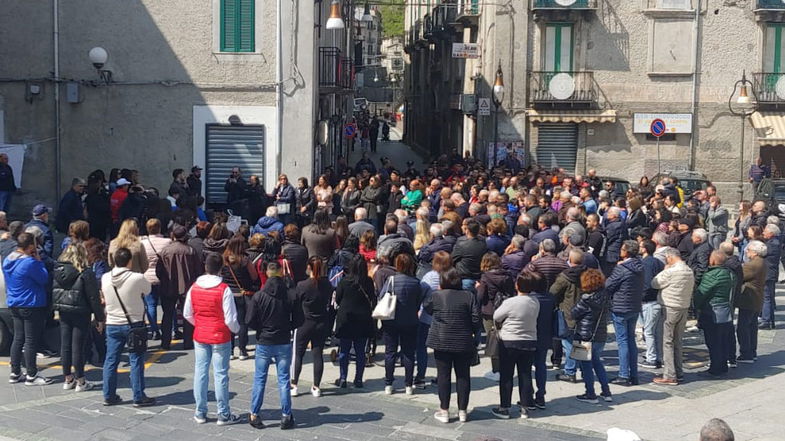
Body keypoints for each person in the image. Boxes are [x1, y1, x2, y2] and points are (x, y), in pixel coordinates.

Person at [182, 252, 242, 425]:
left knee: (200, 372)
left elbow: (187, 313)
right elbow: (230, 319)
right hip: (220, 335)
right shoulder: (224, 289)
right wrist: (236, 330)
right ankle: (223, 414)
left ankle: (200, 412)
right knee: (221, 374)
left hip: (200, 334)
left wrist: (199, 323)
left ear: (205, 267)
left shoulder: (194, 287)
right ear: (221, 268)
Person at [246, 261, 303, 430]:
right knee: (284, 379)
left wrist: (261, 329)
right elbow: (299, 319)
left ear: (267, 274)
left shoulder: (259, 296)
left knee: (260, 378)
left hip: (264, 340)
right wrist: (288, 327)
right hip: (283, 340)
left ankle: (254, 413)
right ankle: (286, 415)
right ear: (280, 273)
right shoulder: (290, 295)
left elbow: (249, 320)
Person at [423, 267, 480, 424]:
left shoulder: (437, 295)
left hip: (441, 340)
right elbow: (476, 319)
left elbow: (427, 309)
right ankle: (463, 411)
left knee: (443, 376)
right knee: (463, 376)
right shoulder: (468, 296)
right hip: (462, 340)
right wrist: (473, 333)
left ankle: (444, 410)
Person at [102, 247, 155, 407]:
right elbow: (148, 290)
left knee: (111, 360)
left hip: (112, 322)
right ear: (129, 261)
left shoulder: (105, 277)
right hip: (134, 323)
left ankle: (108, 395)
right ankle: (138, 396)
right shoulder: (137, 277)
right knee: (136, 360)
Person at [53, 243, 105, 392]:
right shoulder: (85, 272)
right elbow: (93, 297)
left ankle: (68, 379)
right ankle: (81, 380)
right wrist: (100, 318)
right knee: (78, 346)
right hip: (81, 311)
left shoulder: (58, 270)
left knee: (65, 344)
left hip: (63, 310)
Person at [491, 271, 542, 420]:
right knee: (525, 374)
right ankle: (525, 407)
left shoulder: (511, 302)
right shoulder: (535, 302)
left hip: (509, 341)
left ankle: (504, 407)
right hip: (529, 340)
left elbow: (496, 316)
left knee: (506, 375)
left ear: (517, 285)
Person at [4, 232, 52, 385]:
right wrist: (38, 259)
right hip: (31, 303)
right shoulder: (30, 263)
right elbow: (44, 278)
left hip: (14, 302)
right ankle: (31, 374)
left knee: (18, 338)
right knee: (31, 340)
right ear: (31, 246)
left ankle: (15, 372)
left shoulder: (8, 259)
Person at [379, 253, 426, 395]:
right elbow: (419, 302)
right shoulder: (416, 283)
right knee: (409, 353)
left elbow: (382, 296)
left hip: (392, 320)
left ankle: (388, 383)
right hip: (410, 320)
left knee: (390, 352)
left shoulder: (391, 280)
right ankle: (408, 384)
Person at [651, 247, 695, 386]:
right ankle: (678, 372)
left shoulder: (671, 271)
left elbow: (655, 283)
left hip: (669, 307)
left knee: (667, 341)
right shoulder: (688, 270)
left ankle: (670, 375)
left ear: (670, 257)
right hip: (683, 307)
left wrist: (664, 270)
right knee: (677, 341)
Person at [291, 257, 333, 398]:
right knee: (317, 354)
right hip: (321, 322)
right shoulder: (327, 284)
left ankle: (294, 384)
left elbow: (296, 303)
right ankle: (316, 386)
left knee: (298, 354)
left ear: (309, 267)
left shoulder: (302, 285)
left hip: (304, 322)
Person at [156, 225, 202, 350]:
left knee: (167, 315)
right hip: (187, 287)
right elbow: (198, 270)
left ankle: (165, 342)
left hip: (168, 287)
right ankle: (188, 342)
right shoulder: (190, 250)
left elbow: (158, 271)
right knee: (188, 314)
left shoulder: (165, 251)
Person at [571, 268, 613, 403]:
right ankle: (606, 392)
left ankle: (590, 393)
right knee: (597, 363)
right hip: (600, 334)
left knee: (586, 365)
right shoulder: (605, 295)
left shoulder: (585, 299)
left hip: (584, 335)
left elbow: (574, 313)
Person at [334, 254, 376, 388]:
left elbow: (338, 299)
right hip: (363, 319)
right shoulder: (368, 281)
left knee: (344, 350)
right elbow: (373, 299)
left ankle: (342, 378)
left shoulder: (345, 281)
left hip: (346, 318)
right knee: (360, 352)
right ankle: (358, 379)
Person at [605, 240, 644, 386]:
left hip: (621, 307)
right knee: (630, 340)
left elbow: (608, 285)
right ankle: (633, 374)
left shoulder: (622, 268)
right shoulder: (640, 266)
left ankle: (623, 375)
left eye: (622, 249)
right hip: (634, 306)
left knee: (622, 341)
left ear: (626, 252)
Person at [694, 250, 735, 376]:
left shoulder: (712, 275)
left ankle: (715, 368)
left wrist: (696, 306)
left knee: (712, 341)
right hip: (725, 311)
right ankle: (722, 365)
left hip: (712, 311)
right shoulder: (730, 273)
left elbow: (702, 293)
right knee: (722, 340)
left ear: (713, 260)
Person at [550, 249, 587, 383]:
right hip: (584, 313)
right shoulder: (588, 274)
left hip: (568, 313)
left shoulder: (564, 277)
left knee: (568, 343)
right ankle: (585, 371)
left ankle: (570, 371)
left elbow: (552, 292)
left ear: (570, 261)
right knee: (582, 343)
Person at [477, 252, 515, 378]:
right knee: (505, 339)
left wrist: (478, 287)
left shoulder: (485, 277)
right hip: (506, 310)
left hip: (489, 311)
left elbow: (481, 296)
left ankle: (496, 370)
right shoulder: (507, 275)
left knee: (493, 340)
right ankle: (507, 367)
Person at [221, 236, 259, 359]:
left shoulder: (224, 259)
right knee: (242, 323)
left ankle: (230, 350)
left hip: (228, 294)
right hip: (242, 294)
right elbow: (254, 276)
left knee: (230, 320)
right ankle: (242, 350)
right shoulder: (244, 260)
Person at [141, 219, 171, 340]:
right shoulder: (167, 242)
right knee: (168, 306)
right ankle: (172, 329)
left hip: (147, 277)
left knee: (151, 305)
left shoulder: (142, 243)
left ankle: (154, 331)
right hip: (164, 277)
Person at [736, 240, 766, 363]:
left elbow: (740, 276)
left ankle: (746, 353)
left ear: (754, 252)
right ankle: (752, 352)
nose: (746, 252)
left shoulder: (751, 265)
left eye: (748, 250)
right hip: (757, 298)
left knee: (743, 327)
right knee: (752, 327)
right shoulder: (762, 262)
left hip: (749, 298)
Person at [639, 239, 664, 369]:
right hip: (658, 300)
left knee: (648, 331)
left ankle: (651, 358)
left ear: (645, 249)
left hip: (649, 301)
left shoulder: (646, 263)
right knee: (657, 332)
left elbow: (647, 284)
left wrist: (641, 297)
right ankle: (658, 356)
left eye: (641, 246)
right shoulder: (659, 262)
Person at [452, 219, 488, 290]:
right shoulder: (484, 242)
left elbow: (453, 258)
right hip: (479, 277)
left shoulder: (462, 244)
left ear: (467, 230)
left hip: (466, 278)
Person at [760, 223, 780, 329]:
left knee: (766, 297)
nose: (763, 233)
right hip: (770, 273)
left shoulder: (772, 243)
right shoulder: (773, 242)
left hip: (768, 273)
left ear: (771, 233)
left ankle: (766, 320)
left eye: (765, 231)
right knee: (769, 297)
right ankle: (769, 320)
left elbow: (763, 253)